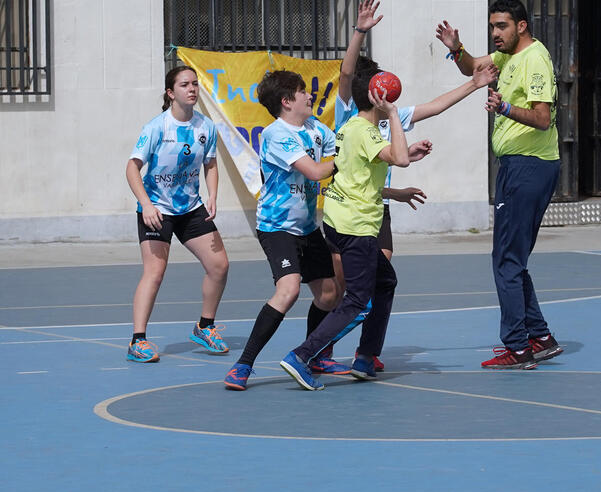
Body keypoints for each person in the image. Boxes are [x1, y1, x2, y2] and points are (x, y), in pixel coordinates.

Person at [312, 0, 497, 375]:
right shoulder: (351, 112)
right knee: (343, 288)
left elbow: (434, 106)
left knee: (381, 279)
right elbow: (347, 75)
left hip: (375, 209)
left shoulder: (390, 118)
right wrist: (360, 31)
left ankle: (366, 351)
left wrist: (475, 85)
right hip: (347, 209)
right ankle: (318, 351)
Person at [435, 0, 563, 369]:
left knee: (506, 260)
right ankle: (539, 336)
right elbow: (473, 68)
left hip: (529, 167)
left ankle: (518, 347)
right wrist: (456, 48)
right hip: (519, 165)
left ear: (521, 26)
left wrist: (505, 108)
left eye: (501, 26)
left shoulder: (534, 60)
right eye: (492, 26)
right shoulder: (509, 55)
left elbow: (542, 118)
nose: (494, 33)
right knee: (513, 258)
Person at [277, 64, 411, 390]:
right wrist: (392, 114)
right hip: (356, 227)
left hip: (339, 220)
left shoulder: (350, 126)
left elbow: (369, 167)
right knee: (357, 300)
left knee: (386, 281)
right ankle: (302, 355)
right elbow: (401, 159)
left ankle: (366, 357)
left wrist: (403, 150)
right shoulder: (367, 131)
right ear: (376, 97)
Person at [223, 70, 339, 390]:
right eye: (303, 92)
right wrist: (350, 158)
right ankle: (243, 364)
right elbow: (316, 171)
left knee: (329, 293)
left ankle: (311, 356)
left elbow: (341, 143)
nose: (309, 96)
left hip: (306, 227)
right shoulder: (277, 135)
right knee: (288, 291)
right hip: (277, 227)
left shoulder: (315, 128)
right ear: (287, 102)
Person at [125, 66, 231, 363]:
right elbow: (132, 167)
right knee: (155, 273)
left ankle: (204, 327)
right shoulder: (157, 128)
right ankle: (138, 340)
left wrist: (212, 195)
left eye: (195, 84)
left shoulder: (206, 128)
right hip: (157, 209)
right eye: (185, 85)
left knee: (219, 266)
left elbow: (210, 164)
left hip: (190, 207)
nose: (192, 89)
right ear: (171, 93)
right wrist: (146, 204)